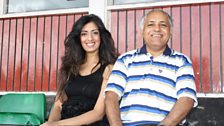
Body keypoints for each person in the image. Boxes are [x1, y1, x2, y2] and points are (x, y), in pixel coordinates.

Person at [105, 9, 198, 126]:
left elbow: (187, 100)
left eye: (163, 25)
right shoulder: (126, 59)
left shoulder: (181, 61)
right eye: (151, 24)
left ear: (170, 32)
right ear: (142, 31)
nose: (157, 29)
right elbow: (111, 97)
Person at [41, 14, 117, 126]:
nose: (90, 38)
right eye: (84, 34)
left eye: (95, 33)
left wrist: (58, 125)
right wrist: (51, 123)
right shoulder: (69, 67)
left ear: (101, 36)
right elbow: (58, 105)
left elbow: (98, 113)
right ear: (78, 38)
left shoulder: (109, 68)